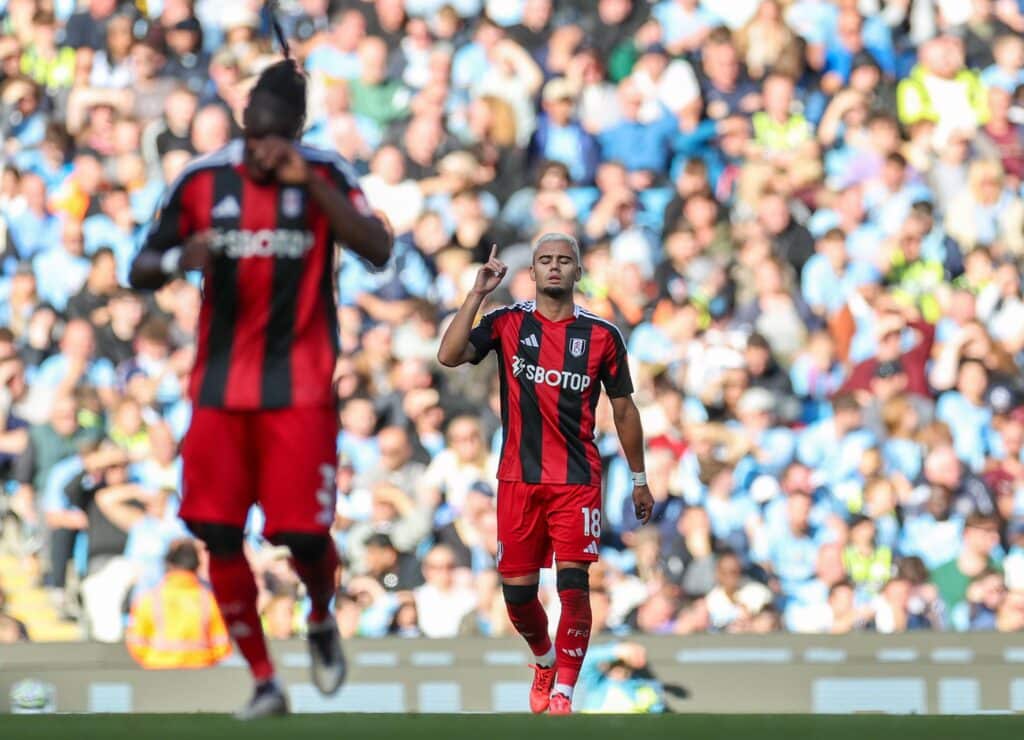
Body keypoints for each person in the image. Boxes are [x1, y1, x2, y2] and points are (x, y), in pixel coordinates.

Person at [129, 59, 392, 719]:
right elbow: (140, 266)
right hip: (218, 391)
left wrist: (314, 187)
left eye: (281, 135)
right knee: (216, 531)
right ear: (244, 122)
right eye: (258, 132)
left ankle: (322, 614)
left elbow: (379, 248)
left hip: (299, 390)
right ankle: (265, 679)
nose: (267, 145)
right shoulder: (202, 180)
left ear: (297, 132)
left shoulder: (327, 173)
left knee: (302, 536)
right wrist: (177, 259)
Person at [437, 232, 653, 715]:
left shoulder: (602, 336)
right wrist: (477, 293)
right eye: (545, 261)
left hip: (577, 480)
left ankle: (564, 693)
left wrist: (639, 478)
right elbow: (448, 356)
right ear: (531, 273)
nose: (555, 267)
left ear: (578, 272)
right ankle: (543, 660)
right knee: (517, 595)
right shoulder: (506, 323)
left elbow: (624, 409)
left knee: (574, 584)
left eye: (564, 260)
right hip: (518, 478)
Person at [125, 538, 231, 670]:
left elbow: (136, 643)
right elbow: (222, 646)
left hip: (158, 670)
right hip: (200, 673)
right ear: (197, 566)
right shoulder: (209, 601)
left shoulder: (148, 600)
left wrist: (154, 659)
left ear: (168, 564)